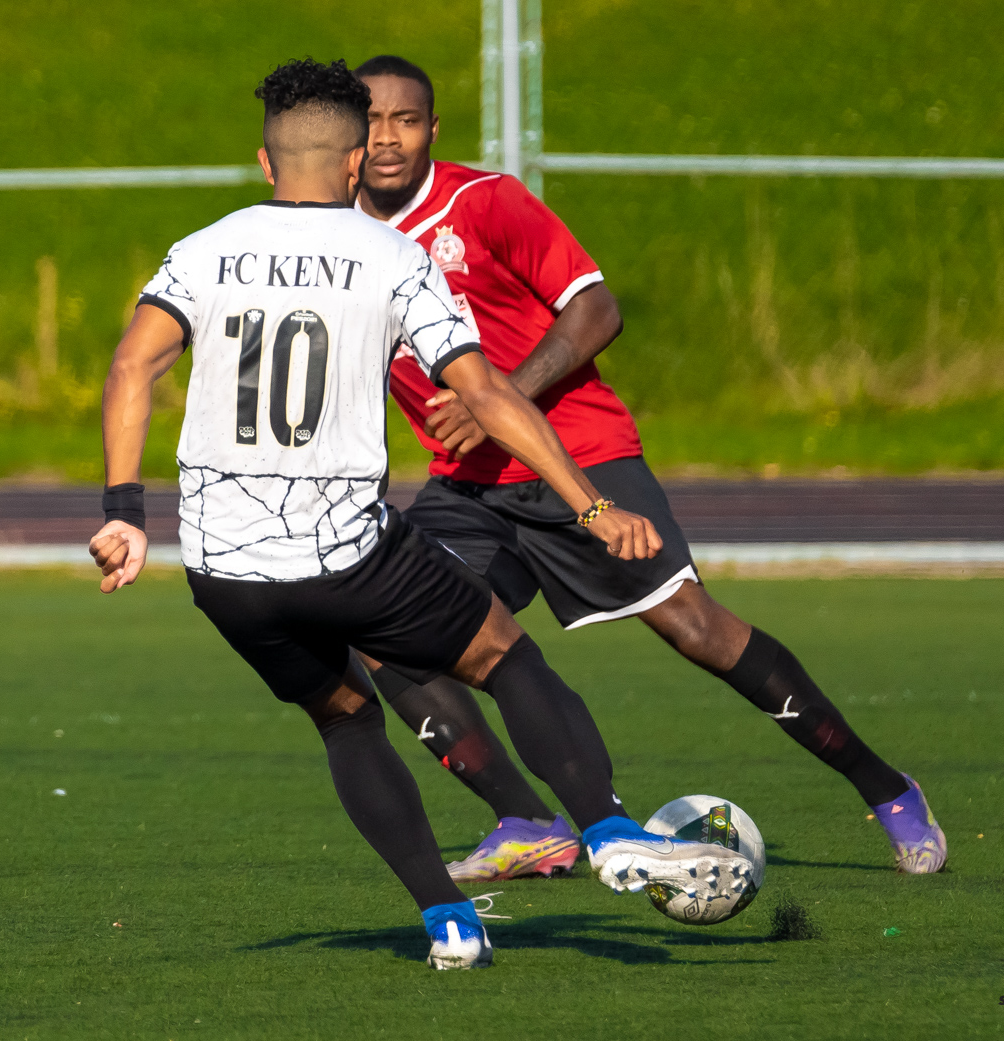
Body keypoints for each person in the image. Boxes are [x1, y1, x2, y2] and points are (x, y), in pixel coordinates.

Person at [90, 59, 751, 970]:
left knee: (347, 721)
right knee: (505, 654)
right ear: (357, 161)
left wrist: (126, 511)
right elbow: (484, 392)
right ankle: (605, 827)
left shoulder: (203, 249)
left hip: (224, 572)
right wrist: (592, 504)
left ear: (264, 159)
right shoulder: (390, 254)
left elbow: (133, 366)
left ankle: (447, 920)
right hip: (347, 552)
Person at [349, 54, 946, 881]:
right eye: (370, 121)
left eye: (405, 121)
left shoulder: (485, 203)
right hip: (469, 488)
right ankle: (524, 819)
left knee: (694, 627)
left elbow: (597, 309)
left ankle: (885, 787)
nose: (386, 139)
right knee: (383, 630)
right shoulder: (335, 236)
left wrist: (499, 396)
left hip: (579, 453)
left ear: (433, 129)